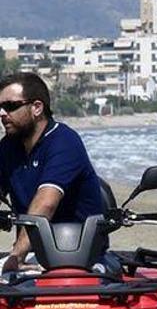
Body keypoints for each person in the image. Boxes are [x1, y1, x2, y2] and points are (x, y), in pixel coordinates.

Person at [0, 72, 105, 273]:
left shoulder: (64, 141)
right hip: (35, 256)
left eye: (11, 106)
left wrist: (15, 256)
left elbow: (46, 203)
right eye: (0, 107)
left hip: (80, 258)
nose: (2, 113)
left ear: (37, 108)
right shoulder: (8, 147)